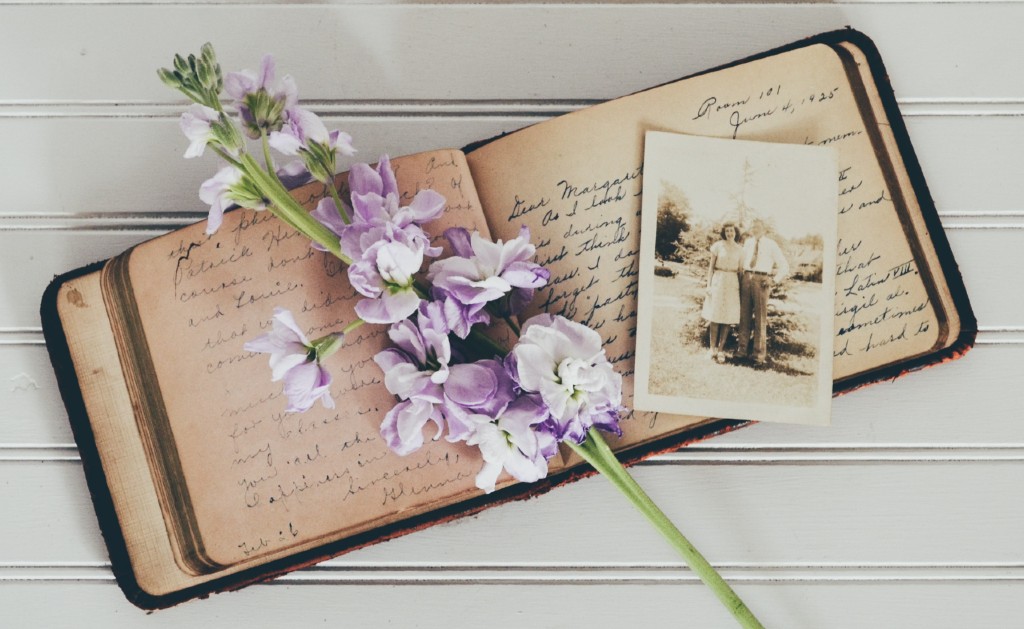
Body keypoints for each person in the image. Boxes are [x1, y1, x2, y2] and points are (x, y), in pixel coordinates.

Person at [737, 220, 789, 364]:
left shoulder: (771, 244)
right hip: (747, 278)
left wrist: (773, 280)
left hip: (762, 280)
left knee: (760, 319)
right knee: (744, 317)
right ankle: (741, 352)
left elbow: (784, 266)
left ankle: (758, 357)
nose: (755, 229)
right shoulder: (747, 242)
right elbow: (741, 261)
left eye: (758, 227)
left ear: (764, 229)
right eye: (753, 227)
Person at [700, 223, 743, 363]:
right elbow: (711, 268)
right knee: (715, 316)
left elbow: (741, 271)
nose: (730, 233)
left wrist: (741, 289)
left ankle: (721, 350)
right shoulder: (718, 246)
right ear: (724, 233)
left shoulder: (740, 249)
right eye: (727, 231)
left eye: (732, 231)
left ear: (736, 232)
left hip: (732, 283)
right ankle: (711, 349)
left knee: (727, 317)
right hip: (718, 280)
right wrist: (708, 285)